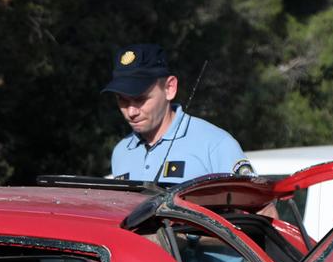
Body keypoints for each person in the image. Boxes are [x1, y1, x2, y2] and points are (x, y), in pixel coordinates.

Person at [103, 43, 252, 182]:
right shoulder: (121, 152)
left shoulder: (215, 144)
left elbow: (261, 208)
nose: (131, 111)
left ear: (169, 88)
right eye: (122, 100)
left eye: (140, 99)